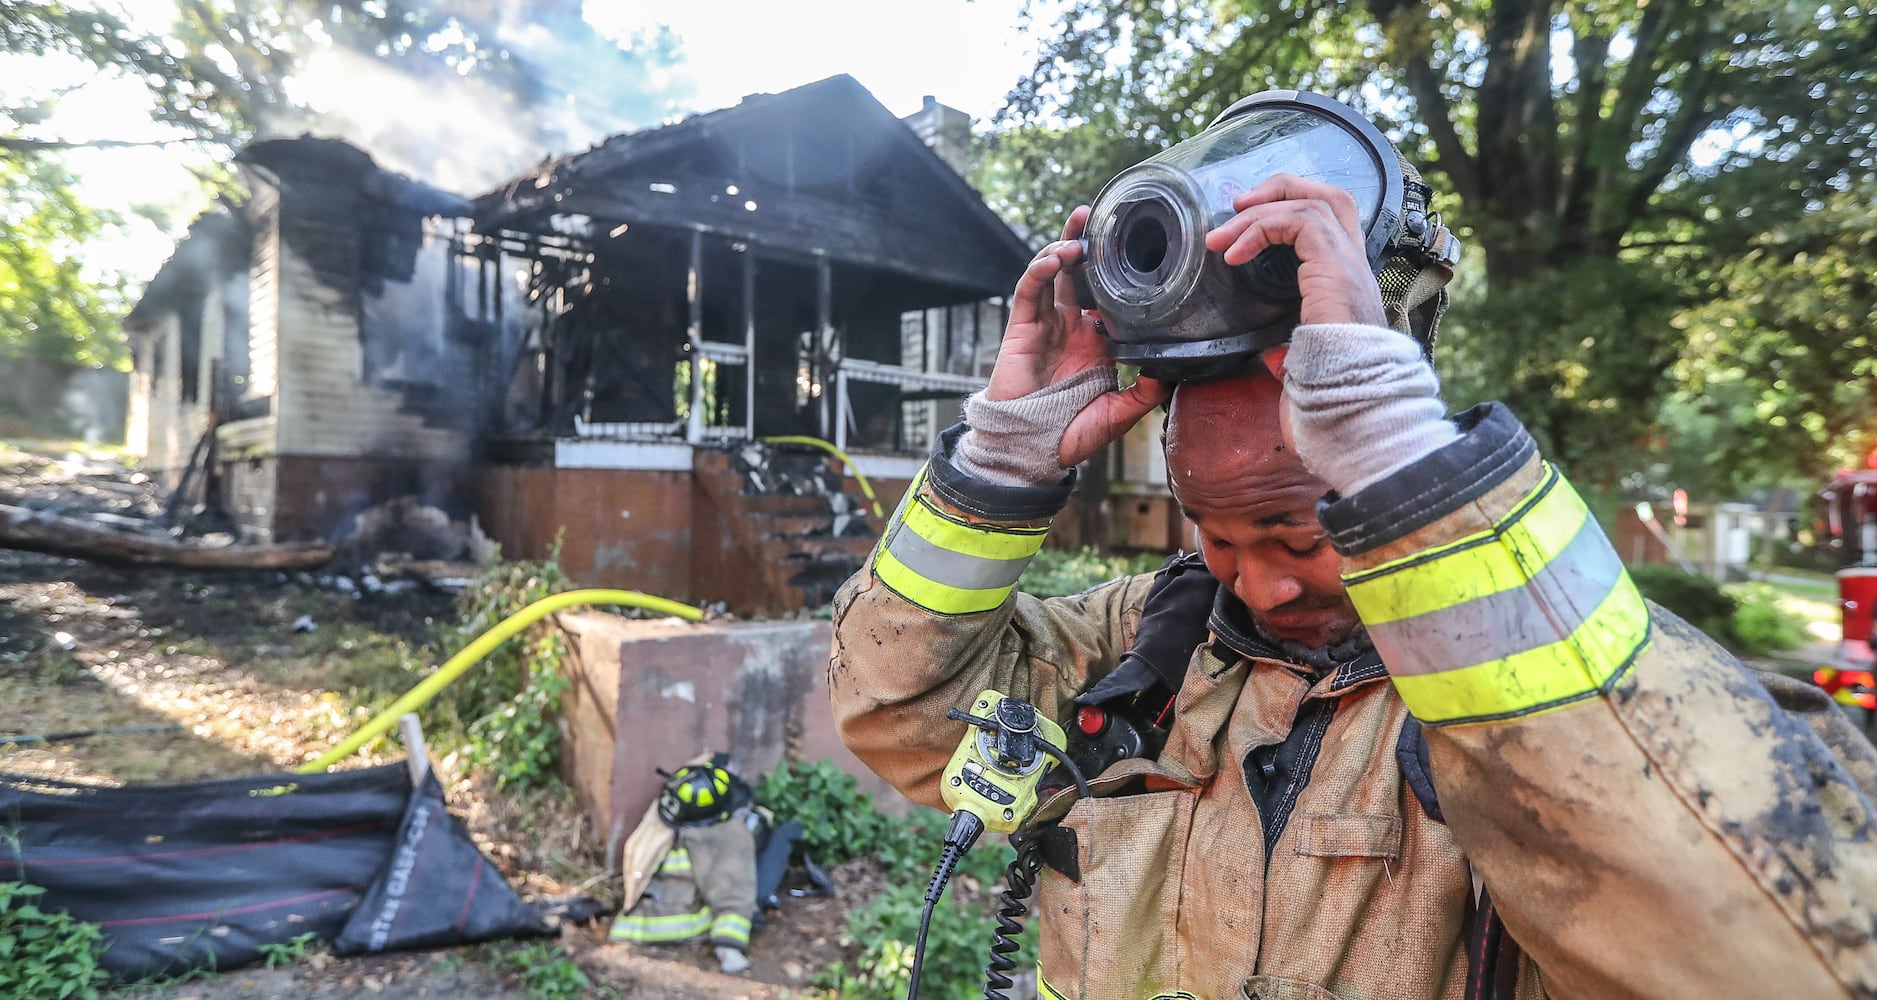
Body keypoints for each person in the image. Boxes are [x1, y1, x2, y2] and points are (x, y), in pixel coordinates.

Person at [827, 104, 1877, 998]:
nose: (1261, 580)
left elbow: (1776, 948)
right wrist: (999, 465)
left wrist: (1395, 450)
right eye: (1218, 534)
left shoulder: (1571, 700)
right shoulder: (1139, 652)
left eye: (1302, 530)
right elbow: (904, 717)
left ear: (1381, 484)